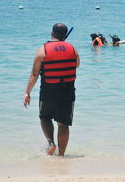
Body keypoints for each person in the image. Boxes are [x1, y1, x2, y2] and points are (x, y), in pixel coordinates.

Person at [23, 23, 80, 157]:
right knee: (63, 123)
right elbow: (77, 64)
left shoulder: (42, 50)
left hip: (49, 90)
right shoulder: (73, 49)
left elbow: (34, 74)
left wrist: (27, 92)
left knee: (45, 117)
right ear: (65, 35)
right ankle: (61, 155)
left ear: (51, 33)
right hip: (67, 90)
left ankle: (50, 142)